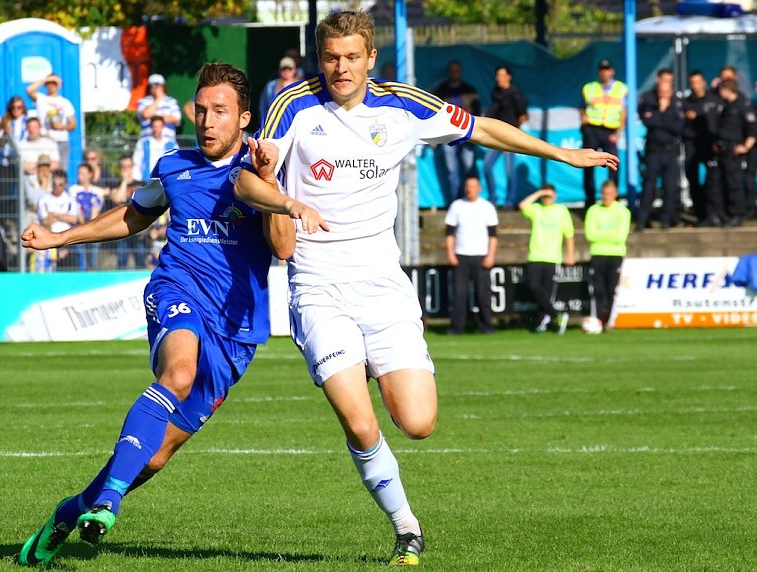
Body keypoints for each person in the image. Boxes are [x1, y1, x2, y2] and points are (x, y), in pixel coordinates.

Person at [234, 10, 616, 565]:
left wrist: (559, 153)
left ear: (371, 59)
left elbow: (482, 127)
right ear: (321, 58)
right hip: (318, 283)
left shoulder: (405, 104)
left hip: (384, 284)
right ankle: (406, 526)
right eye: (330, 57)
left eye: (350, 57)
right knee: (360, 420)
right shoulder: (291, 105)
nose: (340, 68)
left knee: (418, 422)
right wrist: (275, 186)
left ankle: (367, 360)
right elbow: (250, 178)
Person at [16, 62, 295, 567]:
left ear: (245, 118)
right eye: (201, 110)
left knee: (157, 454)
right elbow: (132, 217)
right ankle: (109, 501)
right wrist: (61, 237)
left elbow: (283, 248)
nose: (207, 121)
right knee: (179, 371)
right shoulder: (174, 167)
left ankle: (72, 510)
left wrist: (273, 186)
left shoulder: (260, 172)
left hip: (237, 329)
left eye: (220, 112)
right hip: (177, 288)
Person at [444, 175, 498, 335]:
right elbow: (449, 233)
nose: (470, 189)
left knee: (483, 294)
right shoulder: (457, 206)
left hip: (481, 255)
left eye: (473, 186)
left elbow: (493, 235)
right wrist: (450, 253)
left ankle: (486, 325)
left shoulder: (487, 207)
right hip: (461, 255)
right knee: (459, 294)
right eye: (467, 186)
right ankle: (457, 327)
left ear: (479, 188)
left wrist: (491, 255)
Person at [518, 184, 575, 334]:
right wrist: (539, 193)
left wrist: (570, 255)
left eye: (549, 196)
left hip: (552, 257)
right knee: (534, 286)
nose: (547, 199)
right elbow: (522, 205)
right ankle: (557, 315)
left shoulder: (561, 210)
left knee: (547, 293)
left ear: (555, 196)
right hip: (535, 256)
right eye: (545, 196)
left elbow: (568, 234)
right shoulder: (536, 210)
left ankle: (542, 322)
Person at [635, 69, 684, 231]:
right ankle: (642, 220)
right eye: (663, 83)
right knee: (649, 186)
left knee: (670, 187)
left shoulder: (676, 102)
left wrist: (660, 117)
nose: (665, 89)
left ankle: (665, 221)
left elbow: (678, 127)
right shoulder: (648, 99)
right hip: (654, 150)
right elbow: (648, 122)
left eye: (669, 84)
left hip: (670, 150)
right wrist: (662, 111)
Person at [580, 58, 627, 210]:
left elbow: (623, 112)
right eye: (602, 70)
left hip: (609, 131)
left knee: (613, 165)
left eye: (607, 69)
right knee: (587, 164)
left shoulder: (621, 88)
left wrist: (619, 131)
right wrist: (583, 117)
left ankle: (613, 200)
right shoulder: (590, 87)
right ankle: (590, 201)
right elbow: (581, 106)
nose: (605, 72)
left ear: (612, 71)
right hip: (592, 129)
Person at [431, 60, 481, 200]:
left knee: (469, 169)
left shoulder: (469, 90)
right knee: (452, 171)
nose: (454, 73)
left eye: (457, 70)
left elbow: (477, 112)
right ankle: (455, 201)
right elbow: (433, 113)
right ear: (448, 72)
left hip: (468, 135)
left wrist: (477, 133)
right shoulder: (441, 90)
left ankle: (471, 200)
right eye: (452, 70)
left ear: (461, 72)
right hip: (448, 135)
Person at [584, 180, 630, 329]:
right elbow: (590, 235)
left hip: (615, 255)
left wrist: (601, 234)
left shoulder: (623, 211)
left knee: (611, 289)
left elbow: (620, 237)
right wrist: (610, 234)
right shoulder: (593, 210)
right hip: (598, 254)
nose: (607, 197)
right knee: (598, 290)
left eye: (610, 193)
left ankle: (609, 321)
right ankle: (597, 320)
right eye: (605, 193)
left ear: (615, 194)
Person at [482, 64, 528, 208]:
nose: (499, 79)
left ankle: (510, 200)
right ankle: (492, 198)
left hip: (509, 137)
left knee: (509, 170)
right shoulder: (495, 92)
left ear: (509, 77)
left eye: (502, 76)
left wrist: (514, 132)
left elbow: (523, 116)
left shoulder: (515, 93)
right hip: (495, 136)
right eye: (497, 76)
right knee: (486, 166)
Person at [712, 78, 756, 228]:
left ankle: (737, 214)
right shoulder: (725, 105)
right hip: (723, 150)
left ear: (727, 89)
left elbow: (752, 129)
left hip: (734, 151)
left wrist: (745, 147)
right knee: (718, 183)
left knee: (734, 185)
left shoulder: (742, 105)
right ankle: (723, 213)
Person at [683, 70, 722, 226]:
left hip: (710, 145)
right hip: (692, 144)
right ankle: (701, 214)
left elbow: (721, 123)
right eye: (692, 83)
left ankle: (715, 213)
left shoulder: (715, 100)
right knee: (693, 179)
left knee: (713, 180)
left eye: (698, 82)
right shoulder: (686, 103)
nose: (695, 86)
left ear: (703, 82)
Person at [33, 169, 79, 272]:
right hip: (49, 240)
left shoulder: (70, 200)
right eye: (54, 184)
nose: (57, 187)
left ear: (65, 184)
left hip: (66, 240)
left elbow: (73, 219)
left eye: (60, 184)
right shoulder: (44, 199)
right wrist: (63, 216)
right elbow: (44, 221)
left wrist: (55, 215)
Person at [27, 74, 76, 167]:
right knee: (44, 168)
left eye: (54, 83)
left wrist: (62, 126)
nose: (51, 85)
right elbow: (29, 90)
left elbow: (73, 124)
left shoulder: (65, 102)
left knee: (60, 171)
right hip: (46, 139)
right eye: (49, 83)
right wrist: (47, 78)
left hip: (61, 140)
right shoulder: (41, 99)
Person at [68, 162, 105, 270]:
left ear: (90, 174)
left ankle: (92, 271)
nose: (80, 176)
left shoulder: (98, 190)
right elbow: (75, 206)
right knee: (80, 254)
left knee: (93, 252)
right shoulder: (73, 189)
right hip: (78, 225)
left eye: (83, 173)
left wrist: (91, 223)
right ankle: (82, 272)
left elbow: (97, 207)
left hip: (94, 226)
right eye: (79, 173)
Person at [132, 116, 177, 183]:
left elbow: (175, 163)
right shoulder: (143, 143)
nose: (157, 129)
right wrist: (138, 180)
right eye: (155, 126)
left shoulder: (171, 143)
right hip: (146, 181)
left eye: (159, 126)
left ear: (163, 126)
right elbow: (137, 162)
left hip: (166, 181)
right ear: (151, 127)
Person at [258, 56, 303, 123]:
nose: (286, 71)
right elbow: (263, 105)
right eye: (284, 69)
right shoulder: (270, 86)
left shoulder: (301, 86)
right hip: (274, 123)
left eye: (289, 69)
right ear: (279, 70)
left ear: (295, 70)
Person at [137, 73, 181, 139]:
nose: (154, 88)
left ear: (163, 86)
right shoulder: (143, 101)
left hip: (168, 142)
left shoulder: (172, 101)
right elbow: (145, 114)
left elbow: (176, 118)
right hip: (147, 141)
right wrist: (158, 99)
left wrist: (154, 118)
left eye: (157, 85)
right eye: (152, 85)